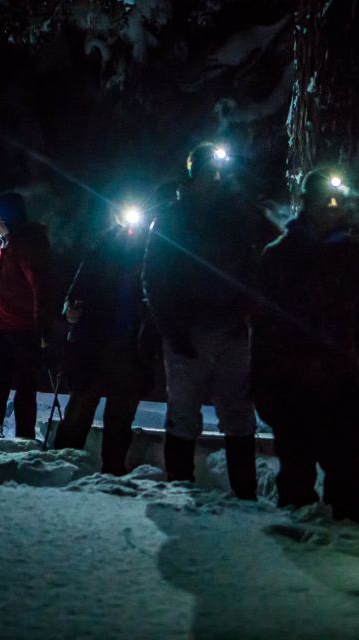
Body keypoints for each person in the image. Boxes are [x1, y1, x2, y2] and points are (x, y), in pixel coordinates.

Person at [252, 169, 359, 523]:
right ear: (306, 203)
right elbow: (263, 327)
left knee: (345, 482)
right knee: (295, 479)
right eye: (324, 200)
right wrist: (263, 387)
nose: (331, 207)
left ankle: (349, 553)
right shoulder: (279, 257)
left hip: (343, 387)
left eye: (337, 201)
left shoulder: (358, 259)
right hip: (291, 385)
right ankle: (298, 549)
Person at [142, 142, 259, 499]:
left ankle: (245, 491)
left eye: (219, 170)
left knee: (238, 413)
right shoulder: (173, 217)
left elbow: (253, 268)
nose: (216, 176)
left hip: (230, 327)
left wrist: (246, 314)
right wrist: (172, 329)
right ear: (195, 172)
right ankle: (180, 487)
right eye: (209, 169)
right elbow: (155, 276)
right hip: (188, 329)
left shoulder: (236, 215)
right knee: (183, 411)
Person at [54, 206, 157, 474]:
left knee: (120, 416)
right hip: (95, 343)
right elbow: (75, 293)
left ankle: (113, 469)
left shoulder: (151, 254)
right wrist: (71, 311)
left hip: (129, 347)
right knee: (81, 408)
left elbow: (155, 300)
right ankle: (62, 465)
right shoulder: (100, 252)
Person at [0, 192, 55, 439]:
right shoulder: (8, 245)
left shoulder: (27, 244)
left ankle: (24, 438)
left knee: (24, 386)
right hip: (4, 329)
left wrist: (42, 325)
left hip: (24, 330)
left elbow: (41, 286)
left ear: (6, 218)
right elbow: (0, 293)